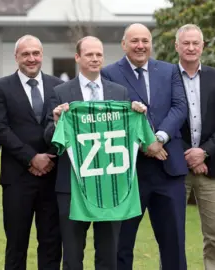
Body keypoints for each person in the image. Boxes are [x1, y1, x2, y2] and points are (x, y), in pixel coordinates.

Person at [44, 36, 148, 270]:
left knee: (108, 255)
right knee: (72, 256)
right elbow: (48, 136)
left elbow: (134, 134)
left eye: (99, 54)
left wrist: (137, 113)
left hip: (110, 185)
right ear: (78, 57)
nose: (94, 59)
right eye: (89, 54)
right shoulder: (60, 92)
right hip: (72, 187)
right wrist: (56, 121)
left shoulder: (119, 93)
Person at [101, 23, 189, 270]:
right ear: (124, 44)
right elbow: (113, 114)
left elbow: (180, 107)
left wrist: (158, 138)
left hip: (168, 169)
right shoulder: (109, 74)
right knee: (122, 244)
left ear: (151, 43)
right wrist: (143, 143)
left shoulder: (169, 70)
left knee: (173, 244)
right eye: (134, 41)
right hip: (129, 173)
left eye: (145, 40)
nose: (140, 46)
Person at [0, 35, 63, 270]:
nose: (31, 59)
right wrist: (31, 158)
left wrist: (48, 157)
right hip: (17, 178)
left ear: (42, 55)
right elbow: (0, 128)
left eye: (36, 53)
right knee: (16, 244)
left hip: (53, 177)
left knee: (51, 244)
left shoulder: (57, 87)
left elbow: (64, 126)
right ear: (16, 57)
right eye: (25, 54)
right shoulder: (0, 87)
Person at [175, 24, 215, 270]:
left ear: (202, 46)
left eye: (195, 43)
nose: (191, 48)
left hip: (212, 168)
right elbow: (163, 119)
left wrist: (204, 153)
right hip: (176, 167)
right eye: (186, 43)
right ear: (176, 46)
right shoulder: (166, 76)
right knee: (172, 232)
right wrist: (189, 154)